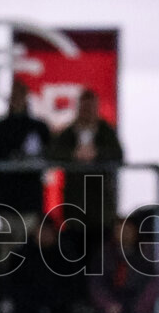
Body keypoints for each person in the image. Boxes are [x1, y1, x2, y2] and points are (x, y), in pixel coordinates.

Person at [48, 89, 124, 247]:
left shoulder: (106, 131)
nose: (87, 112)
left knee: (99, 252)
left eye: (90, 108)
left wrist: (96, 154)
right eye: (84, 108)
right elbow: (53, 153)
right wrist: (73, 154)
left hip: (101, 207)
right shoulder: (68, 132)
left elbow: (117, 153)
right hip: (75, 204)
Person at [0, 80, 51, 234]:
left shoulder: (38, 128)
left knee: (28, 247)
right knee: (8, 245)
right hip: (6, 197)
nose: (18, 99)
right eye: (15, 95)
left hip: (30, 197)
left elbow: (49, 153)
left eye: (21, 95)